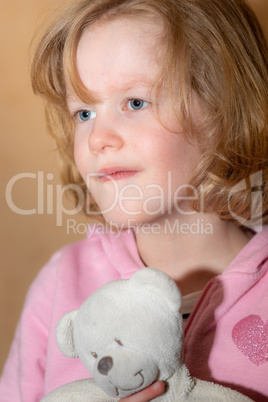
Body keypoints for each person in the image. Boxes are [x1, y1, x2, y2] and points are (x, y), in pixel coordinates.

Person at [1, 0, 268, 400]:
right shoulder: (61, 281)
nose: (97, 139)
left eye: (135, 103)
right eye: (84, 113)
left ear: (224, 112)